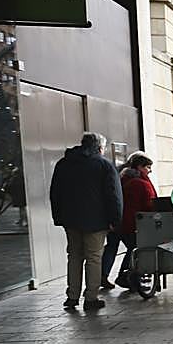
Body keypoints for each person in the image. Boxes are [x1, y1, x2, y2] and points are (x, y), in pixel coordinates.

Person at [49, 132, 122, 312]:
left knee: (74, 256)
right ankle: (91, 297)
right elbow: (114, 195)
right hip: (96, 221)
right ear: (99, 147)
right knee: (94, 258)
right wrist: (115, 219)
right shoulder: (104, 165)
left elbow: (55, 193)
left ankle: (72, 296)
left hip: (70, 220)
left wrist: (58, 216)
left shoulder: (63, 164)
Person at [102, 152, 156, 291]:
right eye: (148, 167)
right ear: (139, 167)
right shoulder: (141, 183)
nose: (150, 170)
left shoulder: (120, 177)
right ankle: (125, 275)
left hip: (115, 220)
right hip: (131, 223)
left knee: (111, 247)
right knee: (135, 249)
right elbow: (149, 204)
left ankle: (103, 275)